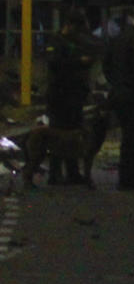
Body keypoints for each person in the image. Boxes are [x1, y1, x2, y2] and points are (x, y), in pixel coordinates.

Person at [24, 10, 98, 186]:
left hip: (74, 96)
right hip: (59, 97)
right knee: (57, 136)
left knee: (72, 137)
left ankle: (72, 173)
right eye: (78, 29)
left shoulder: (75, 42)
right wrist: (79, 62)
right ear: (70, 25)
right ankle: (55, 174)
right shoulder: (56, 42)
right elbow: (55, 64)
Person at [101, 4, 134, 190]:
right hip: (132, 96)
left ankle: (129, 178)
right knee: (132, 139)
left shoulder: (118, 38)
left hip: (119, 93)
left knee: (127, 138)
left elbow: (106, 65)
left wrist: (117, 83)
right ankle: (130, 179)